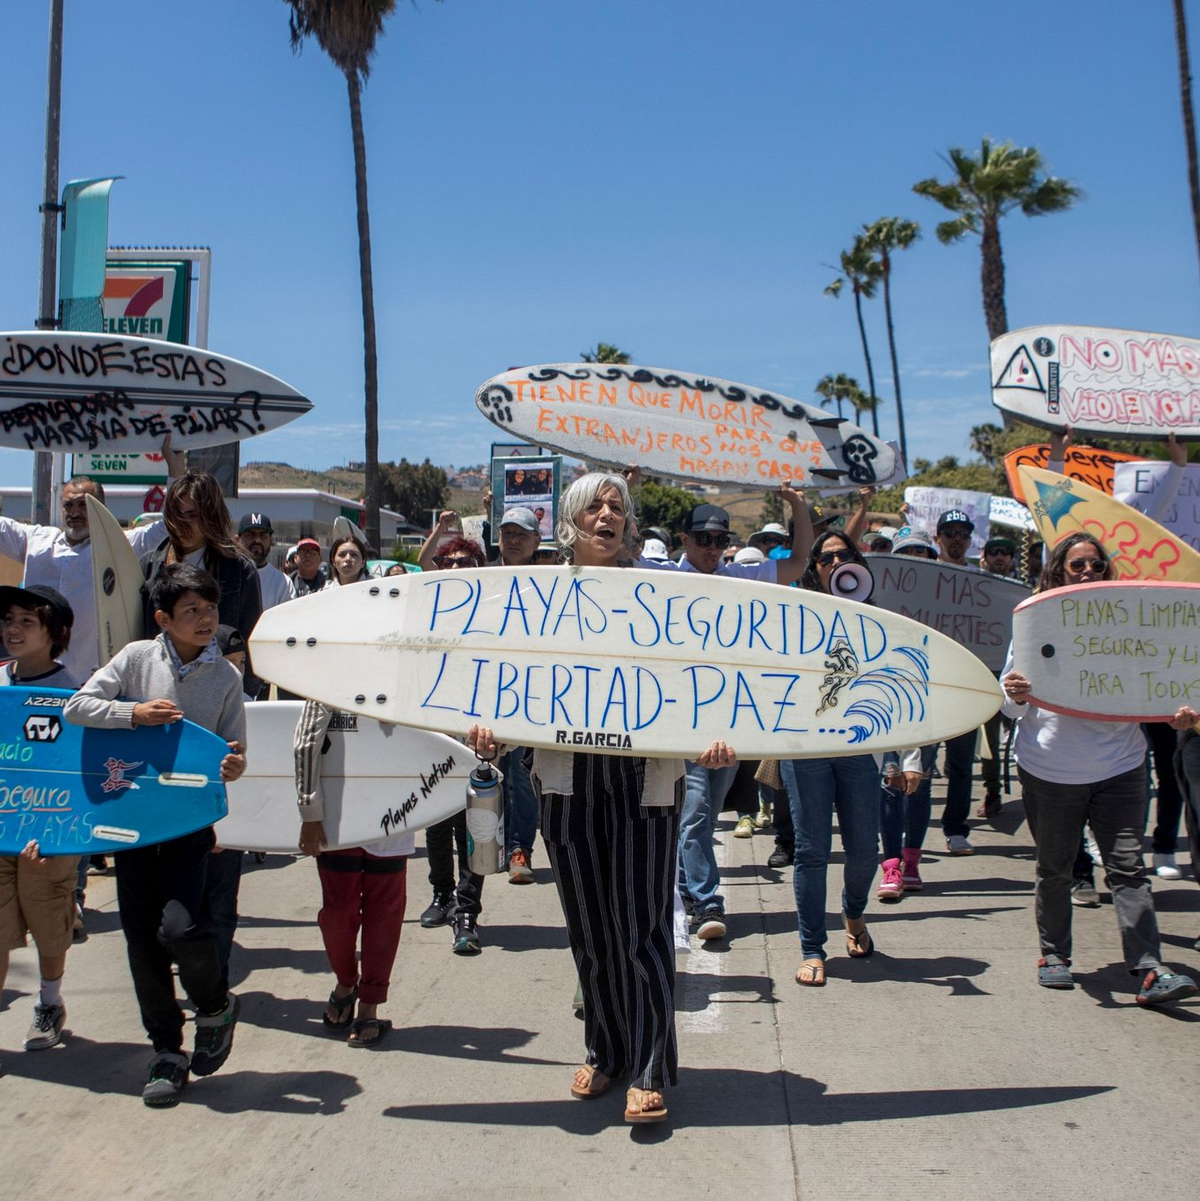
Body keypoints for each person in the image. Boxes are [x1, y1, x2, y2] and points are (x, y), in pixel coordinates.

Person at [467, 471, 736, 1125]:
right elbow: (515, 678)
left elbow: (696, 676)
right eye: (595, 507)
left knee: (642, 930)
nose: (608, 515)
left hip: (645, 782)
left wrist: (712, 735)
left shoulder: (662, 598)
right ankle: (607, 1050)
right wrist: (491, 728)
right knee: (590, 932)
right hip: (567, 780)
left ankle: (650, 1067)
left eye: (617, 507)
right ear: (571, 522)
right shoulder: (539, 598)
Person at [64, 563, 247, 1104]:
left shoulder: (227, 677)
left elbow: (234, 751)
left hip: (189, 823)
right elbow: (77, 707)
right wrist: (133, 713)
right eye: (192, 610)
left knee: (178, 927)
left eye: (210, 608)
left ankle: (215, 1006)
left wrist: (234, 767)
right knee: (141, 940)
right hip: (133, 823)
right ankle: (167, 1050)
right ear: (164, 619)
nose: (205, 619)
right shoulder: (135, 659)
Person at [1000, 534, 1197, 1006]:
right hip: (1051, 769)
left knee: (1129, 868)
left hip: (1121, 766)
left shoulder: (1131, 620)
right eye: (1077, 565)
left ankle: (1150, 968)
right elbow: (1008, 705)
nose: (1088, 571)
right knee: (1055, 868)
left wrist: (1179, 715)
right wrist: (1015, 695)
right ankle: (1054, 955)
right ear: (1058, 572)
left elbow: (1161, 683)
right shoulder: (1036, 621)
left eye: (1096, 564)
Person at [644, 489, 812, 941]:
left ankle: (683, 892)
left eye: (720, 540)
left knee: (702, 813)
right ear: (684, 539)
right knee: (696, 812)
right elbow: (617, 557)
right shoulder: (658, 576)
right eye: (703, 539)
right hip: (679, 718)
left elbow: (798, 563)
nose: (712, 549)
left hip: (729, 718)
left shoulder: (738, 575)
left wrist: (797, 505)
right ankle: (705, 901)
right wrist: (629, 486)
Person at [140, 472, 262, 993]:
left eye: (192, 513)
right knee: (161, 868)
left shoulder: (238, 568)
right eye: (175, 512)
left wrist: (238, 713)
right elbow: (138, 639)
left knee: (218, 861)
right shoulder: (153, 563)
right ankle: (176, 966)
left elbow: (251, 647)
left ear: (211, 514)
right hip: (158, 728)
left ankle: (215, 982)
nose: (181, 522)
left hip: (216, 728)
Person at [781, 530, 885, 986]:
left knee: (864, 849)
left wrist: (906, 756)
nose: (837, 564)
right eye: (827, 559)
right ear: (814, 570)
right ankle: (812, 947)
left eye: (845, 556)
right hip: (806, 748)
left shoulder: (875, 617)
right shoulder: (796, 614)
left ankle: (854, 912)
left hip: (856, 747)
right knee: (812, 850)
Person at [0, 435, 184, 683]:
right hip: (36, 678)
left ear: (101, 508)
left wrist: (175, 472)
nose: (74, 513)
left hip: (92, 680)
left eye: (83, 505)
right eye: (68, 505)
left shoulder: (118, 545)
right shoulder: (36, 540)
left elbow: (169, 526)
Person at [297, 700, 410, 1047]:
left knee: (384, 917)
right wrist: (309, 812)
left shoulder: (409, 681)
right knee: (337, 915)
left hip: (394, 815)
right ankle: (346, 981)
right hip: (338, 816)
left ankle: (370, 1004)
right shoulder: (331, 678)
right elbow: (306, 741)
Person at [0, 585, 79, 1058]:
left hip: (48, 835)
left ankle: (49, 1002)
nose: (13, 629)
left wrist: (60, 834)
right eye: (9, 620)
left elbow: (80, 773)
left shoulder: (72, 693)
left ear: (55, 633)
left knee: (49, 920)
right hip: (0, 828)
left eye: (27, 621)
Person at [415, 535, 492, 951]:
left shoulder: (492, 615)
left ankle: (466, 912)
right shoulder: (427, 614)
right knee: (436, 823)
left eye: (465, 562)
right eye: (449, 562)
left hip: (476, 737)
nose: (456, 568)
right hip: (432, 734)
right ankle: (441, 893)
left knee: (471, 829)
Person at [933, 509, 984, 853]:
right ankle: (909, 830)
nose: (956, 539)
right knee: (918, 762)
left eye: (963, 534)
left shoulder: (982, 584)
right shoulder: (921, 576)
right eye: (949, 533)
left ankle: (955, 827)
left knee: (962, 765)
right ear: (938, 538)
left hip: (966, 685)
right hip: (928, 683)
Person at [236, 512, 296, 608]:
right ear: (238, 540)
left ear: (270, 540)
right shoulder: (226, 575)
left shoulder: (283, 582)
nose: (257, 540)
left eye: (263, 535)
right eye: (250, 535)